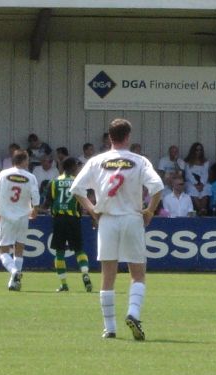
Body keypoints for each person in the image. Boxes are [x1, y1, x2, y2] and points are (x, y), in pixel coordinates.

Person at [70, 118, 164, 340]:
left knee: (108, 275)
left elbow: (77, 189)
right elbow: (157, 187)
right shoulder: (139, 161)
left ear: (109, 137)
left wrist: (92, 210)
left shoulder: (97, 161)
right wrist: (150, 210)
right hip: (132, 218)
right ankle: (133, 313)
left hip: (108, 220)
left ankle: (110, 328)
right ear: (128, 137)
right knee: (138, 273)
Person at [0, 149, 40, 291]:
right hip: (23, 216)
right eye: (27, 159)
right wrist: (35, 211)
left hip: (7, 216)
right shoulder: (30, 177)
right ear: (24, 160)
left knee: (2, 251)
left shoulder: (3, 174)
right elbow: (35, 197)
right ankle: (14, 282)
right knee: (19, 248)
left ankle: (14, 272)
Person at [45, 157, 92, 292]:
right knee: (79, 250)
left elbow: (47, 203)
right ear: (72, 167)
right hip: (74, 220)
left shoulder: (54, 182)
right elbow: (84, 202)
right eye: (77, 167)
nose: (78, 169)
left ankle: (64, 284)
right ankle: (85, 274)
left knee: (59, 252)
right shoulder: (78, 182)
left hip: (59, 219)